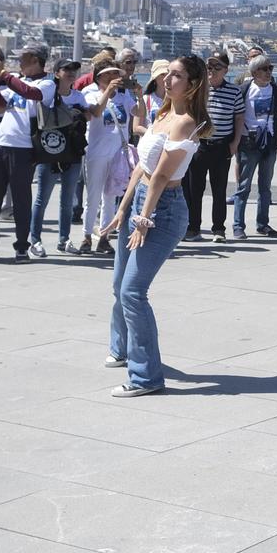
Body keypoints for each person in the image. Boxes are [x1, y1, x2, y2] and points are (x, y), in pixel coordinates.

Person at [100, 56, 208, 396]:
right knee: (120, 285)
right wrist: (124, 209)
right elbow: (142, 168)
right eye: (167, 74)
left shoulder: (186, 122)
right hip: (141, 201)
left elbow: (162, 176)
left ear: (191, 84)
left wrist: (143, 219)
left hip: (164, 210)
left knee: (133, 291)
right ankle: (123, 349)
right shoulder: (163, 114)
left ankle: (146, 377)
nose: (167, 79)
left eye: (176, 75)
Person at [0, 44, 49, 260]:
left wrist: (4, 74)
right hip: (1, 145)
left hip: (24, 149)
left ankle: (21, 246)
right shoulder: (18, 80)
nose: (20, 62)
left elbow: (32, 94)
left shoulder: (46, 83)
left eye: (23, 58)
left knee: (21, 201)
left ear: (36, 60)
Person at [184, 53, 244, 241]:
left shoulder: (234, 92)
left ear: (226, 70)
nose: (212, 71)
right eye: (209, 67)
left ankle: (219, 229)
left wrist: (235, 143)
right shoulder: (199, 89)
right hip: (200, 145)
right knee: (195, 189)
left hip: (221, 146)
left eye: (217, 67)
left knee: (219, 190)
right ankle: (193, 228)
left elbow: (239, 117)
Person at [31, 57, 88, 253]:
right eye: (66, 69)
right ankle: (35, 240)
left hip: (72, 153)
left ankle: (64, 239)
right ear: (56, 73)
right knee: (42, 198)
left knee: (68, 200)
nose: (71, 72)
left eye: (74, 69)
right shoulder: (48, 96)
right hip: (49, 152)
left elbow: (90, 115)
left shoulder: (79, 97)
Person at [78, 62, 136, 253]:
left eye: (115, 74)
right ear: (99, 76)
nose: (113, 77)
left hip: (117, 153)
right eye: (108, 74)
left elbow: (139, 114)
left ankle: (104, 237)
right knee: (93, 196)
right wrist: (107, 92)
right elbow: (95, 112)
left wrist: (140, 95)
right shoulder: (89, 92)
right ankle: (87, 236)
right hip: (96, 152)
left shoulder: (124, 95)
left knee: (110, 196)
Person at [233, 56, 277, 237]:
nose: (268, 72)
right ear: (254, 73)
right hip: (248, 143)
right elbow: (237, 115)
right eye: (264, 69)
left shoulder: (276, 90)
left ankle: (263, 224)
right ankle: (238, 225)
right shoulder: (244, 90)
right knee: (243, 186)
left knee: (265, 186)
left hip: (269, 143)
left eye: (270, 68)